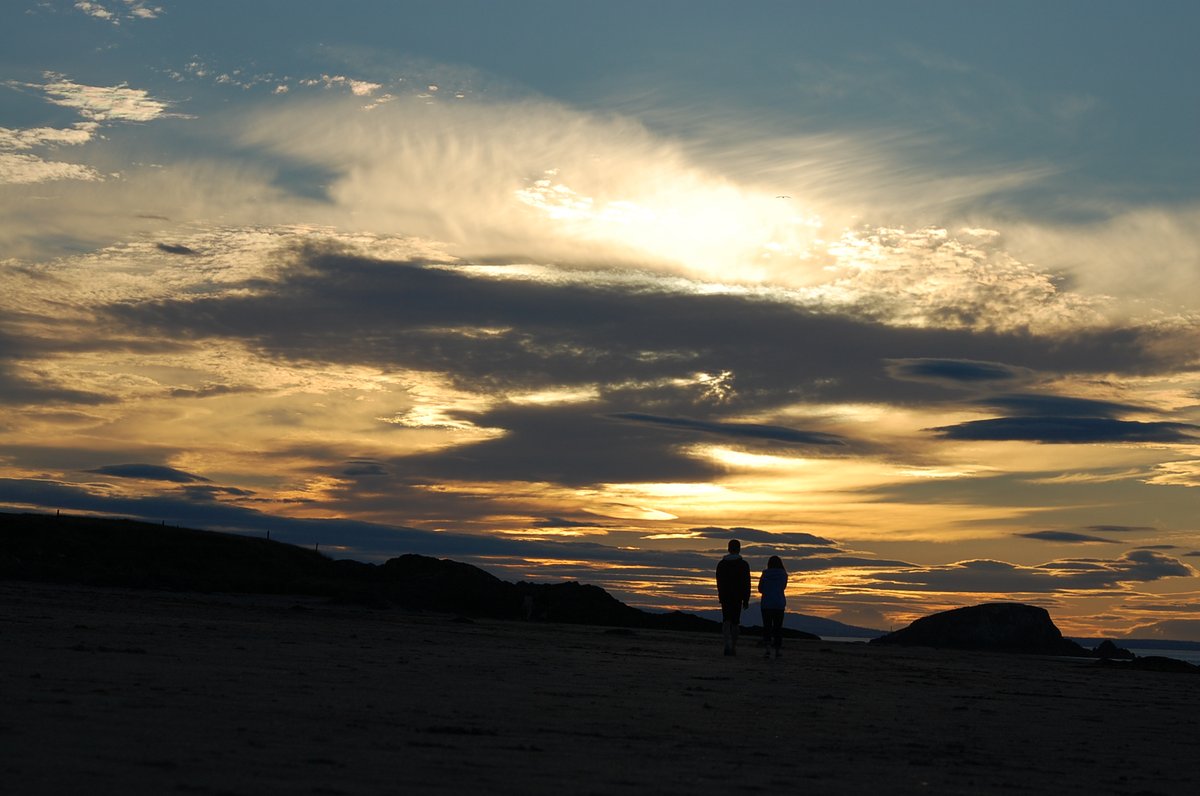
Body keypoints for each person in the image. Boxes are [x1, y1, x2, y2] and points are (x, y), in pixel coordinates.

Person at [715, 539, 751, 656]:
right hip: (738, 597)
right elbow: (747, 583)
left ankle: (727, 645)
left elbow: (719, 582)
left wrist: (721, 595)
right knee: (735, 622)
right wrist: (746, 599)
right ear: (739, 549)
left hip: (725, 596)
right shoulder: (743, 565)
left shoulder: (721, 564)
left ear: (728, 549)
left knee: (726, 621)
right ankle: (733, 646)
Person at [758, 555, 788, 658]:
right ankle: (777, 651)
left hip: (766, 603)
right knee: (778, 628)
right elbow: (783, 587)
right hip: (779, 603)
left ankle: (767, 650)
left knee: (767, 627)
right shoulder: (784, 574)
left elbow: (760, 588)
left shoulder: (765, 574)